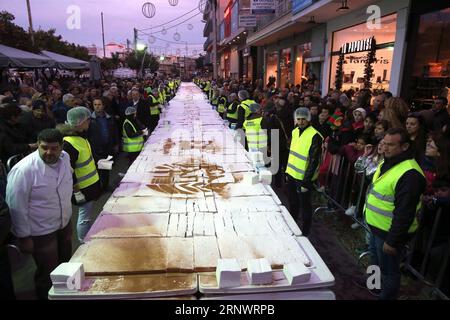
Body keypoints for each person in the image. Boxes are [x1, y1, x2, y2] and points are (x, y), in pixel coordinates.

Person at [6, 129, 73, 299]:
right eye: (44, 148)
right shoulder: (24, 170)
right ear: (38, 145)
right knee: (48, 272)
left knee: (66, 263)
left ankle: (66, 294)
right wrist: (24, 237)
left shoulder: (65, 157)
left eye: (53, 148)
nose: (48, 152)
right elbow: (16, 206)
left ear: (61, 147)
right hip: (41, 230)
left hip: (64, 222)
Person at [364, 127, 426, 300]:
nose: (385, 148)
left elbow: (405, 213)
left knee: (389, 271)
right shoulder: (389, 162)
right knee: (375, 261)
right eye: (384, 143)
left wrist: (392, 241)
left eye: (391, 145)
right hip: (376, 226)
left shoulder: (410, 174)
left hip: (389, 234)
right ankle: (373, 287)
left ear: (405, 146)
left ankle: (386, 297)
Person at [58, 107, 101, 243]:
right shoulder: (69, 143)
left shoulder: (80, 137)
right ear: (80, 122)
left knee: (87, 215)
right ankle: (83, 241)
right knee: (84, 216)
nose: (89, 123)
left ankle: (87, 235)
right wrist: (76, 191)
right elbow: (67, 170)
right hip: (82, 188)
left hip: (89, 185)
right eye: (87, 120)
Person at [285, 107, 323, 236]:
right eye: (299, 119)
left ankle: (305, 232)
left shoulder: (315, 136)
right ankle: (292, 226)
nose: (301, 122)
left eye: (303, 119)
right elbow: (292, 153)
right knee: (293, 202)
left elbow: (314, 161)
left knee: (305, 206)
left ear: (308, 119)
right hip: (292, 174)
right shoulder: (295, 131)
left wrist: (307, 182)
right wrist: (287, 171)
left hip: (303, 178)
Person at [87, 98, 119, 192]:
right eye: (95, 104)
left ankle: (105, 186)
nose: (97, 106)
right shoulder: (90, 120)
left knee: (106, 169)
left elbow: (115, 131)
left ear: (103, 105)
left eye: (99, 104)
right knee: (96, 170)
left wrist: (116, 143)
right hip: (95, 149)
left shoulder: (109, 117)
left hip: (107, 147)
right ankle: (97, 189)